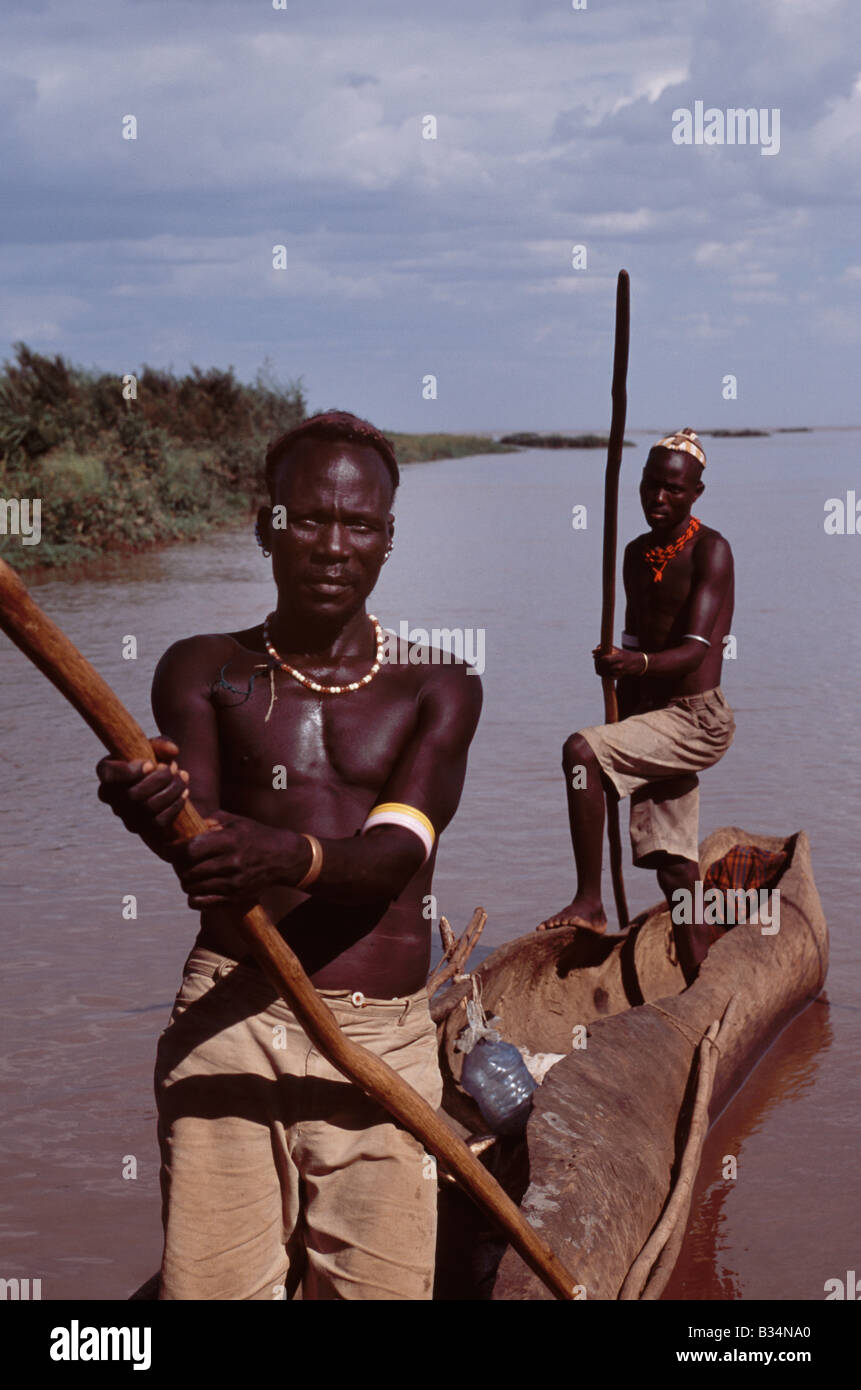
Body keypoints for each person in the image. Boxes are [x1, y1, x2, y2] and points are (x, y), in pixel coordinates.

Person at [96, 411, 482, 1300]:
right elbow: (202, 853)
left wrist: (283, 853)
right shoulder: (202, 667)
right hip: (231, 1011)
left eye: (360, 525)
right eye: (308, 518)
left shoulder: (440, 685)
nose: (333, 546)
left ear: (388, 540)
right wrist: (149, 810)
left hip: (380, 1035)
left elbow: (388, 860)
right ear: (265, 525)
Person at [538, 429, 735, 982]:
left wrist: (635, 665)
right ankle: (704, 977)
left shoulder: (710, 549)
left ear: (696, 492)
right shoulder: (634, 552)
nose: (658, 498)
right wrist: (623, 704)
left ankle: (588, 901)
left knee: (581, 752)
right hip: (651, 716)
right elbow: (632, 634)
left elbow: (695, 649)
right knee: (673, 866)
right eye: (651, 485)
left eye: (673, 489)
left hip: (698, 718)